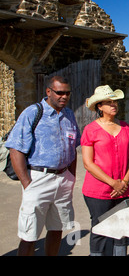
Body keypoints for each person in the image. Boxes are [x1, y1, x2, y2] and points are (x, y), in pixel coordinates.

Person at [5, 76, 80, 256]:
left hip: (63, 179)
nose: (64, 96)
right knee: (30, 234)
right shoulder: (33, 113)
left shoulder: (69, 115)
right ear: (48, 92)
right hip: (38, 179)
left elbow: (73, 148)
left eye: (67, 93)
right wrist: (27, 184)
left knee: (57, 228)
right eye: (59, 92)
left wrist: (71, 177)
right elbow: (16, 149)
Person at [82, 85, 129, 256]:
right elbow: (88, 163)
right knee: (100, 228)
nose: (114, 105)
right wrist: (113, 183)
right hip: (98, 190)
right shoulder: (90, 130)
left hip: (125, 188)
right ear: (99, 106)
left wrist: (125, 181)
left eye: (115, 102)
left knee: (121, 228)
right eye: (109, 102)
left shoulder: (126, 127)